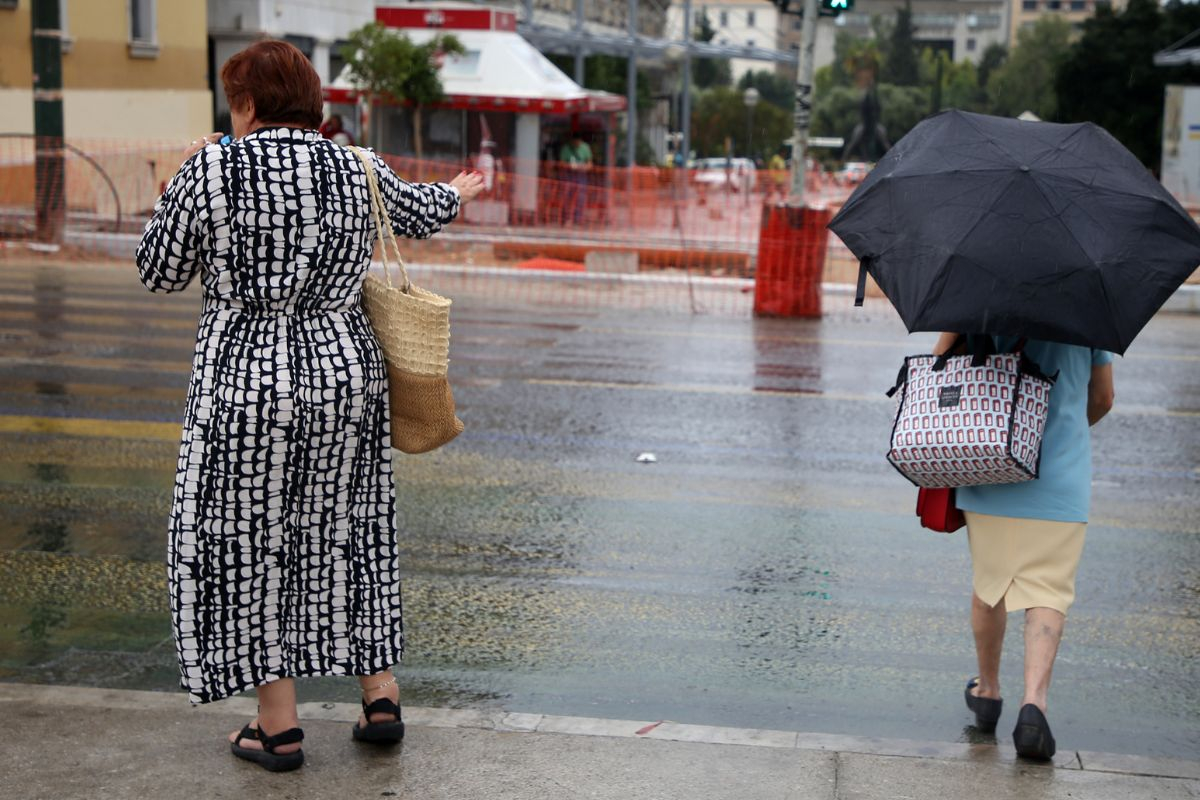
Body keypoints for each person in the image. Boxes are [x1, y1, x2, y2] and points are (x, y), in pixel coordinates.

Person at [135, 40, 484, 772]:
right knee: (351, 529)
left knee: (247, 541)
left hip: (246, 383)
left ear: (248, 102)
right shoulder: (352, 164)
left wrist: (178, 183)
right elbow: (419, 214)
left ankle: (278, 726)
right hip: (345, 377)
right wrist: (459, 190)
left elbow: (158, 270)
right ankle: (380, 696)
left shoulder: (214, 168)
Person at [933, 332, 1114, 761]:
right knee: (1048, 591)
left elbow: (940, 365)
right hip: (1059, 473)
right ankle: (1033, 707)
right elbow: (1103, 398)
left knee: (990, 581)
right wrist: (1061, 430)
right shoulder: (1088, 306)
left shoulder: (977, 293)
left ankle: (988, 691)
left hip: (990, 460)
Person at [559, 132, 592, 224]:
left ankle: (578, 219)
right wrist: (570, 166)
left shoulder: (585, 148)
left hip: (581, 175)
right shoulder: (566, 148)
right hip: (568, 175)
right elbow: (561, 163)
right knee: (566, 196)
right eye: (575, 142)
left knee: (581, 197)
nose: (577, 144)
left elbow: (590, 163)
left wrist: (584, 167)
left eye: (578, 142)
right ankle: (566, 218)